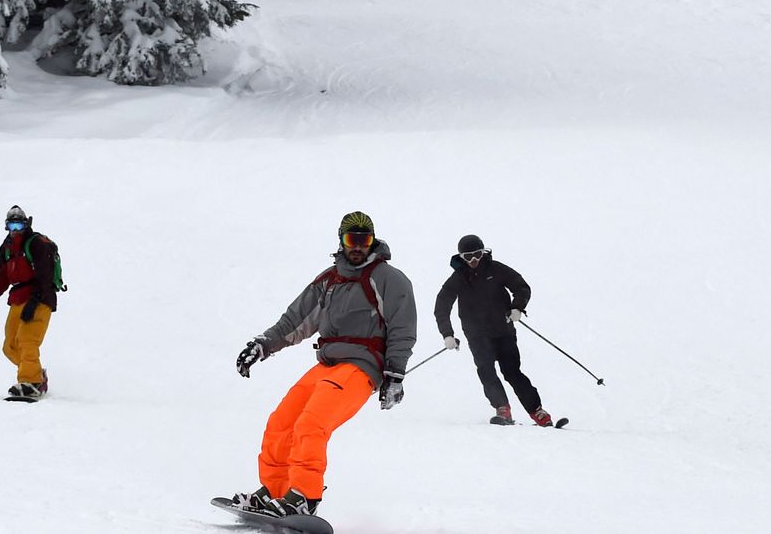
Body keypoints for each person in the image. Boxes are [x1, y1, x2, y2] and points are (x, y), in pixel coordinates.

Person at [229, 211, 417, 518]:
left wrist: (395, 375)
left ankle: (304, 495)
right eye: (351, 239)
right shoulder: (329, 280)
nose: (357, 246)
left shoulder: (388, 279)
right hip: (328, 365)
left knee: (311, 424)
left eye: (364, 240)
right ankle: (278, 493)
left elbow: (403, 327)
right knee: (281, 422)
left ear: (373, 242)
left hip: (361, 366)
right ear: (341, 241)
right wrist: (261, 345)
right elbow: (295, 321)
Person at [433, 234, 555, 427]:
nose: (473, 260)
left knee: (512, 371)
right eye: (468, 256)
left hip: (503, 331)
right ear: (461, 257)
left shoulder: (496, 269)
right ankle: (502, 409)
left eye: (477, 254)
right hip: (476, 335)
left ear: (483, 253)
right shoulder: (458, 279)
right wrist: (447, 334)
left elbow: (521, 287)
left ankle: (537, 411)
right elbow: (441, 306)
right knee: (486, 371)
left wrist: (517, 307)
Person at [0, 205, 61, 400]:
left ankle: (31, 382)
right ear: (6, 227)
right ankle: (36, 375)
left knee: (27, 340)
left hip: (40, 296)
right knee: (10, 346)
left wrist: (34, 303)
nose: (15, 230)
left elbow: (45, 277)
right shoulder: (6, 249)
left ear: (26, 224)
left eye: (19, 225)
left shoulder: (37, 244)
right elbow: (1, 279)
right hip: (18, 297)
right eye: (12, 226)